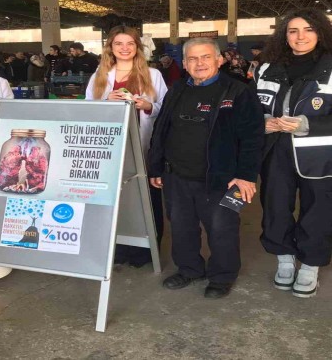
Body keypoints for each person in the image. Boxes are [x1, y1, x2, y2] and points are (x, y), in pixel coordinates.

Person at [255, 8, 332, 298]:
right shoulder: (265, 70)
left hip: (321, 154)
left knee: (317, 210)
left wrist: (308, 125)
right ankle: (284, 258)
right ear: (284, 36)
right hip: (275, 150)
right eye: (293, 31)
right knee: (275, 206)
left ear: (321, 33)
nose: (300, 36)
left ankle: (310, 264)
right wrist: (262, 122)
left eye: (308, 30)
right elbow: (252, 107)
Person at [148, 37, 264, 299]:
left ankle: (222, 276)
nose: (199, 63)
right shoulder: (177, 89)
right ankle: (189, 269)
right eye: (192, 58)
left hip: (221, 179)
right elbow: (161, 129)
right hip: (177, 176)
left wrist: (245, 176)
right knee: (182, 228)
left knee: (222, 229)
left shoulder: (238, 91)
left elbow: (253, 138)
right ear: (184, 63)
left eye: (206, 57)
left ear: (219, 60)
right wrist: (156, 167)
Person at [85, 26, 168, 267]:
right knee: (116, 198)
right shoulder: (100, 75)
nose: (124, 48)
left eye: (130, 43)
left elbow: (166, 108)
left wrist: (148, 106)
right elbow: (87, 109)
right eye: (118, 43)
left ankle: (147, 251)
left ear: (137, 47)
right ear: (110, 48)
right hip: (111, 149)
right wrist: (105, 101)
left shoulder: (153, 74)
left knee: (147, 197)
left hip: (142, 146)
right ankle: (117, 249)